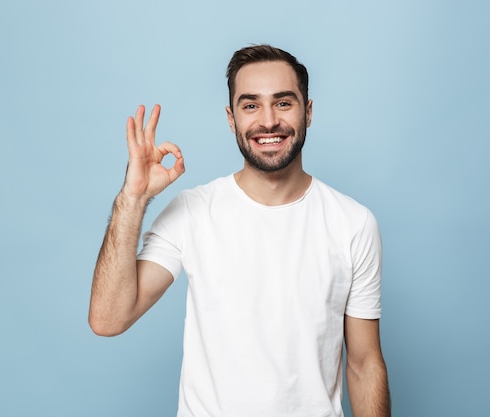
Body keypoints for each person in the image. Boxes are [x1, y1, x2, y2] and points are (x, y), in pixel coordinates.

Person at [89, 44, 390, 417]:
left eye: (283, 103)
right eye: (251, 105)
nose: (267, 122)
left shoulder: (353, 223)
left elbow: (364, 365)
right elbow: (107, 318)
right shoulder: (193, 212)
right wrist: (133, 198)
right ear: (232, 119)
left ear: (307, 112)